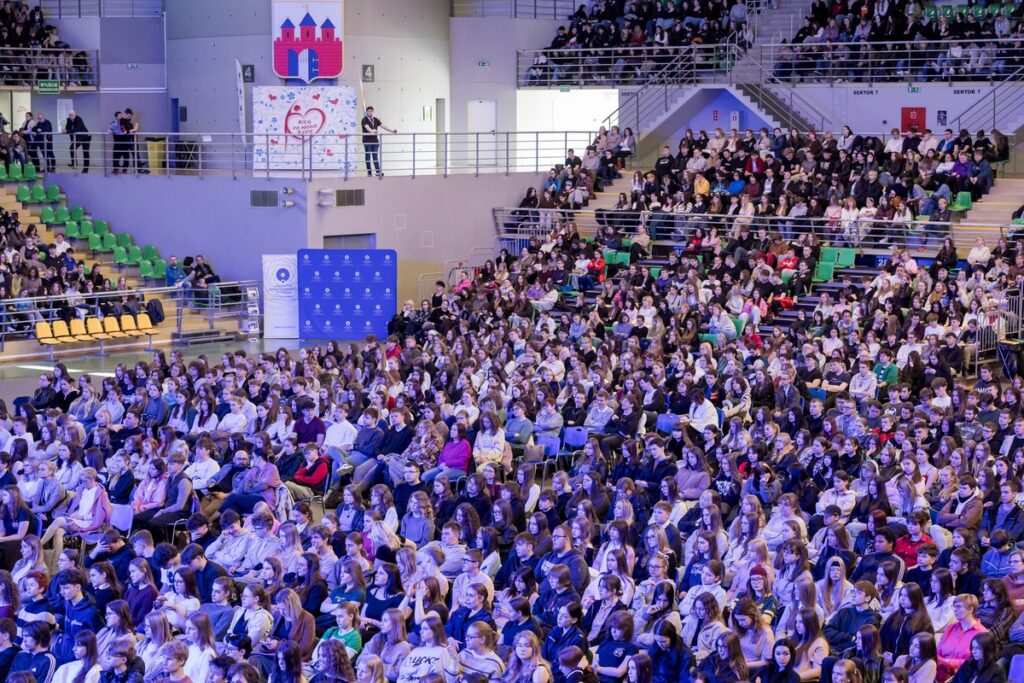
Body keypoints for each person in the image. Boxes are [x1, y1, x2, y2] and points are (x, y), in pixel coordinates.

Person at [361, 106, 397, 178]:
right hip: (367, 141)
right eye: (368, 111)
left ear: (373, 112)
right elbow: (367, 127)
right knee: (368, 157)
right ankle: (369, 172)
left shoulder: (375, 119)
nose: (370, 112)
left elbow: (383, 126)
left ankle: (378, 171)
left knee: (375, 157)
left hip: (375, 141)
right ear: (367, 112)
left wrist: (392, 130)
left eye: (371, 111)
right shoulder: (364, 119)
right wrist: (372, 131)